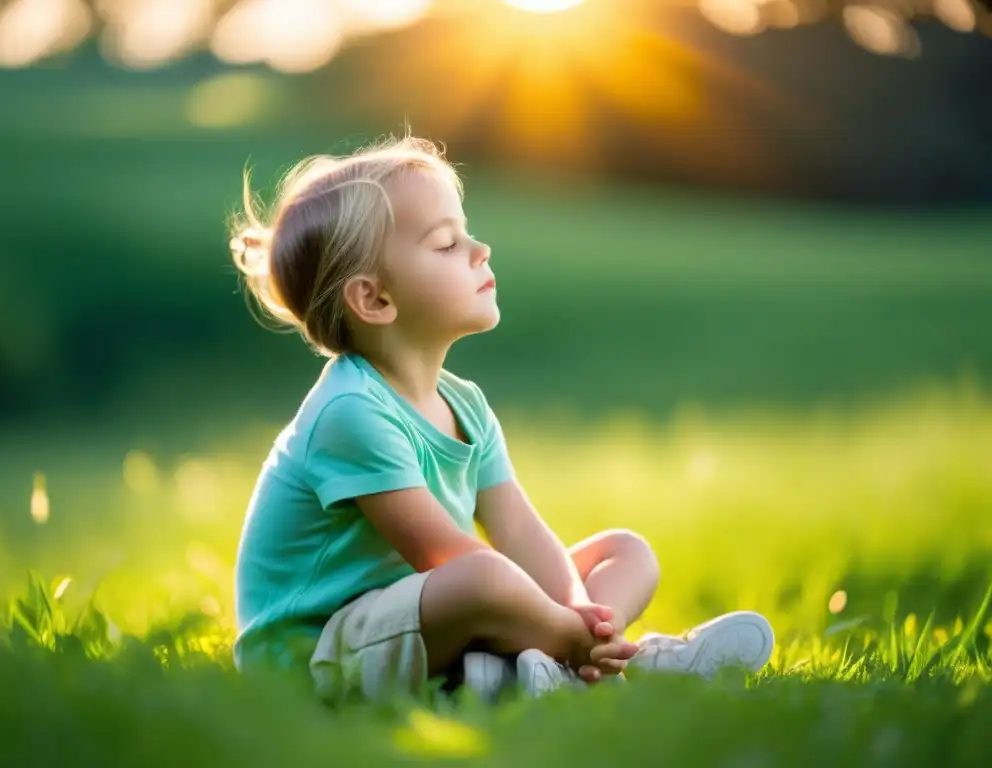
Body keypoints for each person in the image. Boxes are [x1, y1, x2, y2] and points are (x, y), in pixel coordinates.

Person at [229, 135, 774, 703]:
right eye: (445, 244)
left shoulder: (465, 405)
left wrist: (575, 608)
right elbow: (442, 555)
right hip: (320, 652)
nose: (480, 249)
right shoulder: (350, 413)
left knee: (625, 552)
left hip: (423, 623)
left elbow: (518, 530)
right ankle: (603, 662)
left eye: (466, 232)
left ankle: (542, 669)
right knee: (484, 579)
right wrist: (568, 631)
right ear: (375, 300)